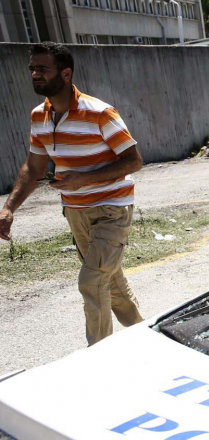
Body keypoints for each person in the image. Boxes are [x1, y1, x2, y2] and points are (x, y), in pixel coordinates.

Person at [0, 42, 144, 346]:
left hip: (111, 209)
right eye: (32, 69)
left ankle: (98, 358)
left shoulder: (99, 113)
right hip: (76, 212)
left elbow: (134, 161)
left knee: (92, 282)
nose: (35, 74)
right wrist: (10, 207)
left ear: (66, 74)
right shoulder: (39, 116)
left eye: (42, 69)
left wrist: (85, 179)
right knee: (111, 283)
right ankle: (146, 340)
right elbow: (34, 165)